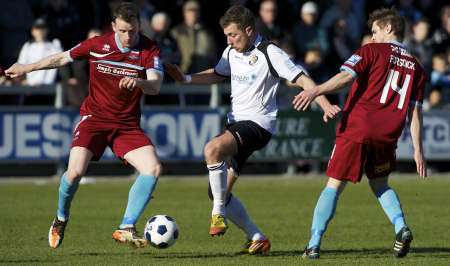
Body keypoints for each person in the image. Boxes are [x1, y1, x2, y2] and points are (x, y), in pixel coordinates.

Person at [165, 5, 340, 255]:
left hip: (259, 125)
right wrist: (187, 79)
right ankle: (257, 237)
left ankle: (217, 215)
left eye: (234, 35)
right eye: (226, 35)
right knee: (218, 191)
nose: (229, 40)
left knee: (212, 149)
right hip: (236, 123)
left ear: (249, 30)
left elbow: (302, 78)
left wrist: (324, 103)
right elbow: (217, 74)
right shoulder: (230, 52)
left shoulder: (271, 52)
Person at [6, 2, 164, 249]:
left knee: (153, 168)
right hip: (95, 119)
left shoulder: (149, 49)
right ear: (113, 26)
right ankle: (60, 218)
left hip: (126, 125)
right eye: (123, 30)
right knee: (75, 172)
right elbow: (61, 58)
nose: (128, 36)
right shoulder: (98, 45)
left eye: (132, 30)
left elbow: (155, 85)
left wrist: (139, 82)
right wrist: (26, 67)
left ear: (139, 26)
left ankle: (126, 226)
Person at [293, 8, 427, 259]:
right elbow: (415, 114)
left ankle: (313, 243)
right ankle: (401, 227)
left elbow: (345, 77)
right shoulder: (417, 67)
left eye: (375, 31)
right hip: (388, 135)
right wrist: (419, 149)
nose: (373, 36)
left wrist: (316, 90)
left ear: (389, 28)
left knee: (333, 185)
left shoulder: (370, 50)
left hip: (358, 127)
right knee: (380, 183)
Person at [17, 18, 62, 86]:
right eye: (37, 28)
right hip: (30, 87)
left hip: (50, 87)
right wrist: (22, 81)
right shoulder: (28, 46)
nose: (40, 31)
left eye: (43, 28)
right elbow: (20, 66)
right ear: (32, 31)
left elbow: (62, 63)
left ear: (47, 30)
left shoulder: (55, 44)